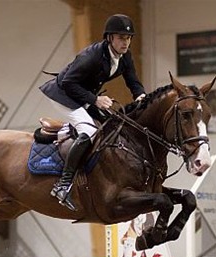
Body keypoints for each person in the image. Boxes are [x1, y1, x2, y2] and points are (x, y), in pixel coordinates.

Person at [40, 14, 146, 211]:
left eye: (129, 38)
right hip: (63, 94)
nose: (126, 42)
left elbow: (132, 80)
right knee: (89, 131)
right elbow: (67, 83)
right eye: (122, 38)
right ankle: (63, 185)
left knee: (110, 123)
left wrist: (141, 96)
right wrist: (95, 99)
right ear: (110, 38)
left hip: (82, 94)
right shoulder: (93, 55)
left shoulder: (125, 56)